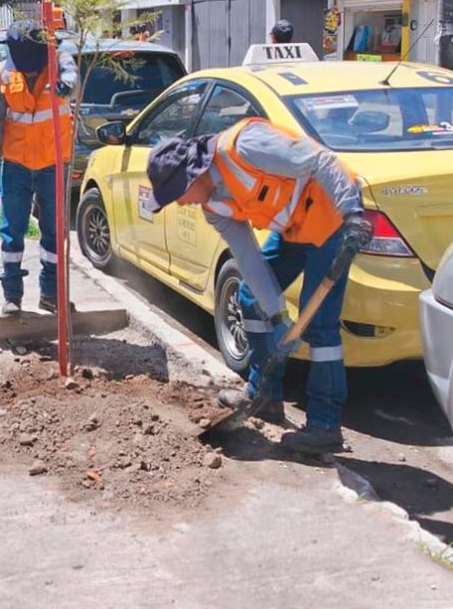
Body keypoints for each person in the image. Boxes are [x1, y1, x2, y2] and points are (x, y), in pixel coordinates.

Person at [144, 119, 373, 454]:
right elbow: (249, 259)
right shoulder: (213, 208)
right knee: (251, 298)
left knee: (319, 325)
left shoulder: (245, 146)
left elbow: (321, 161)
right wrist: (278, 316)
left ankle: (325, 424)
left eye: (178, 195)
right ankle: (264, 393)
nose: (181, 203)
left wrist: (352, 212)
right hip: (294, 228)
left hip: (331, 219)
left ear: (195, 174)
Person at [0, 22, 77, 317]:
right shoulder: (4, 74)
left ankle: (50, 294)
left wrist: (66, 85)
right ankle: (12, 297)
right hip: (16, 165)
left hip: (52, 163)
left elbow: (73, 77)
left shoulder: (60, 62)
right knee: (12, 233)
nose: (33, 71)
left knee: (53, 231)